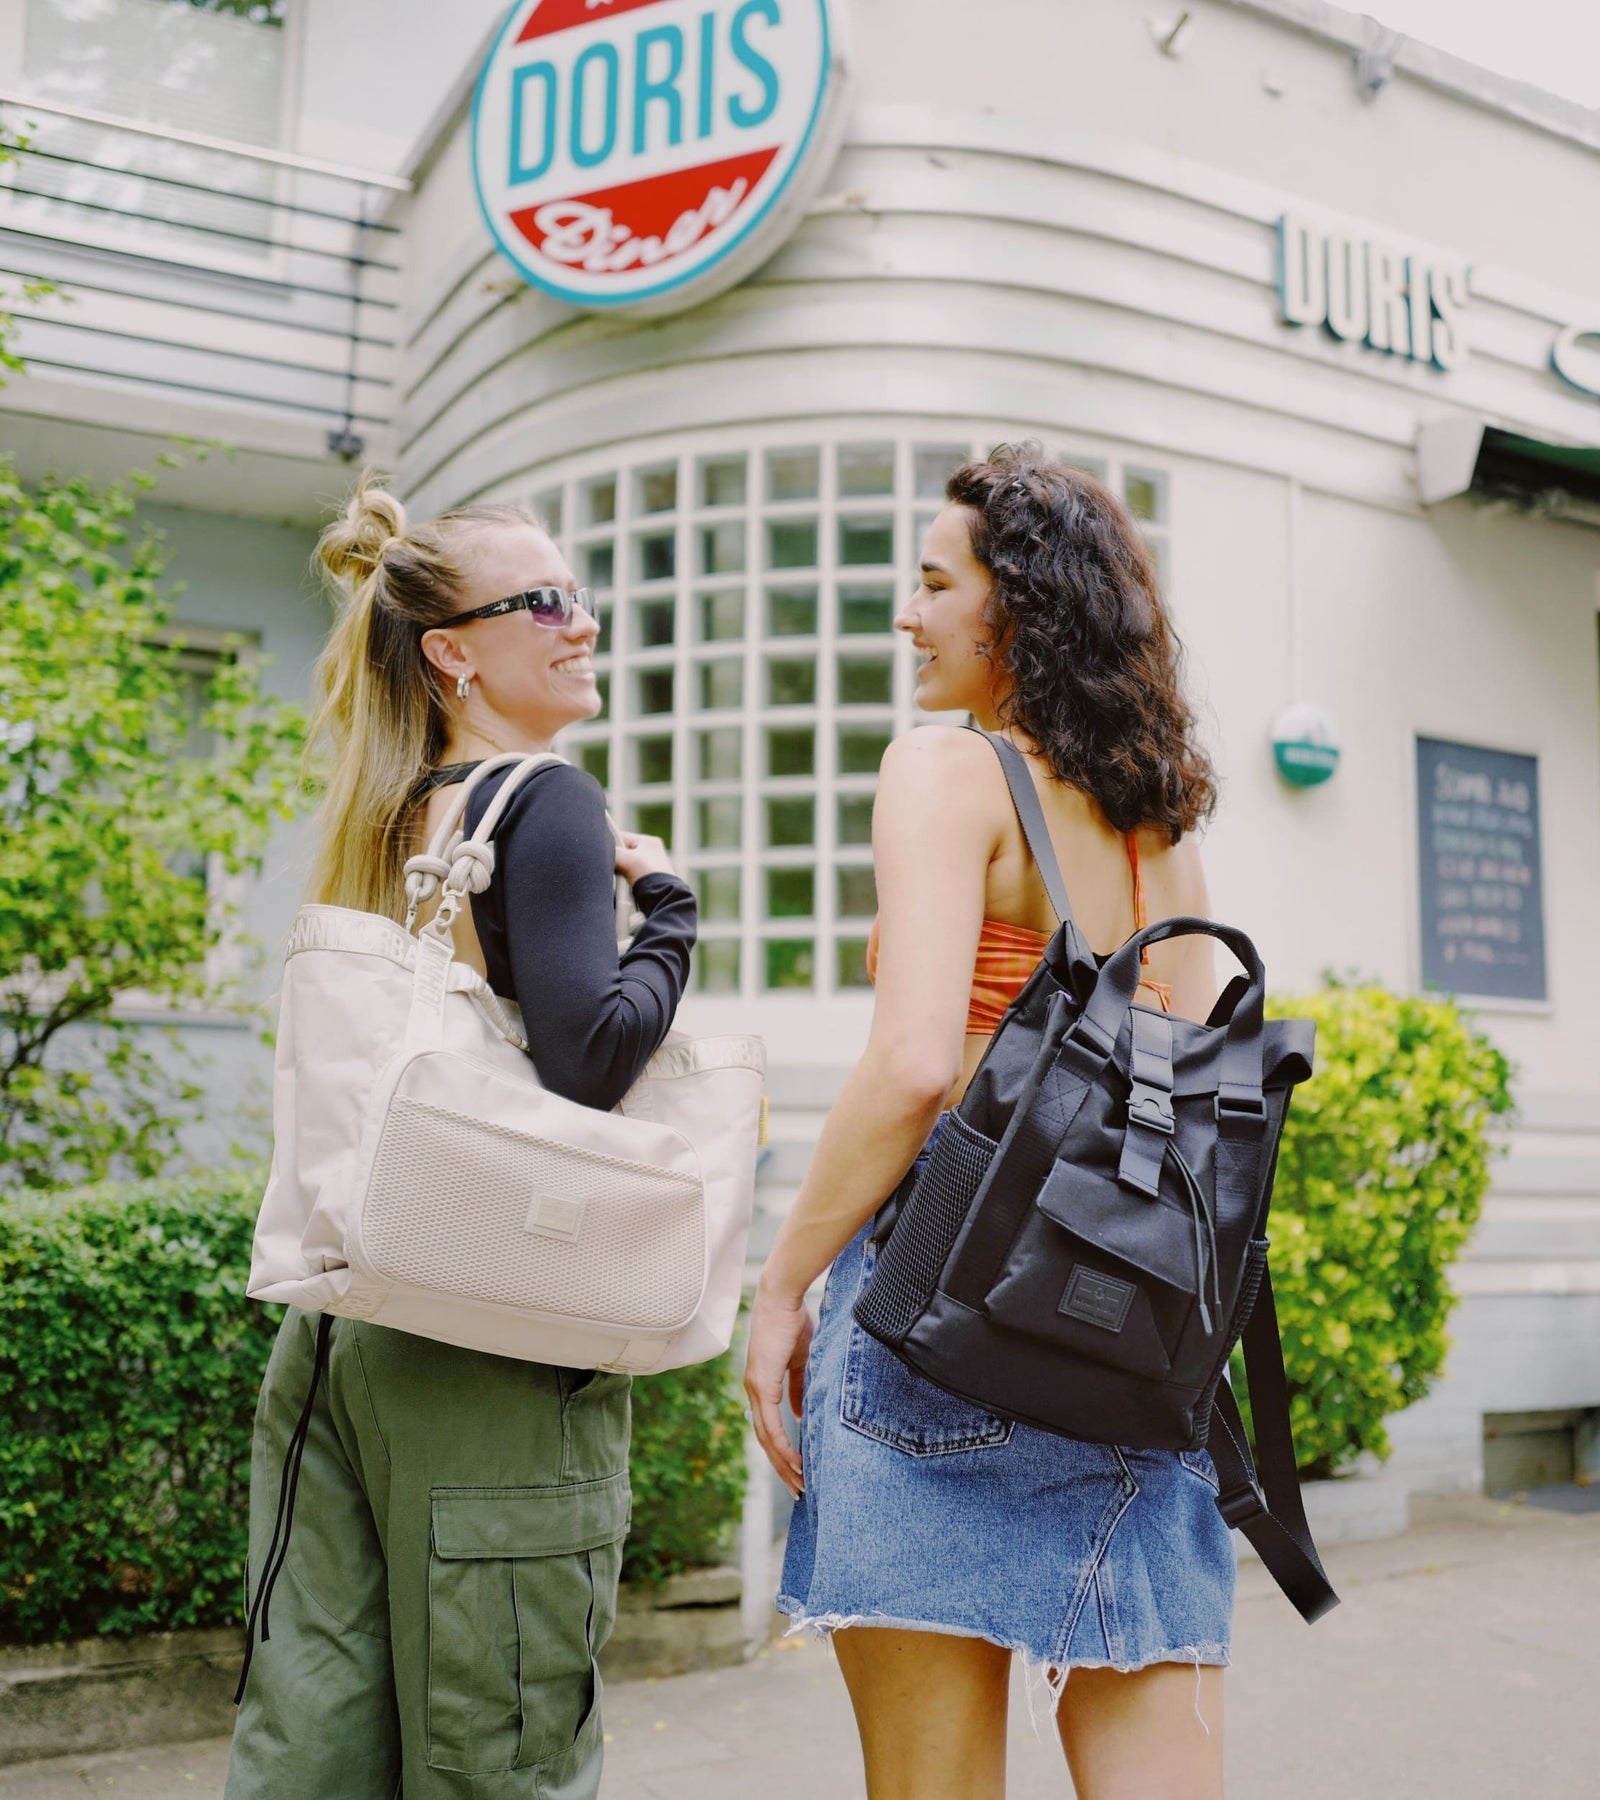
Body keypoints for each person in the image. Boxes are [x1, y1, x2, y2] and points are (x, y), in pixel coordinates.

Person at [745, 444, 1228, 1800]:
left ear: (1013, 607)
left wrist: (780, 1288)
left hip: (941, 1315)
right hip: (1133, 1329)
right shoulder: (1158, 820)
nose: (910, 615)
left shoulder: (947, 773)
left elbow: (910, 1071)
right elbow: (1180, 1063)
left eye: (932, 585)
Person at [227, 479, 696, 1800]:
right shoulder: (542, 804)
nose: (581, 624)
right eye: (544, 602)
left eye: (580, 597)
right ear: (453, 650)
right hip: (489, 1342)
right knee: (502, 1758)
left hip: (341, 1329)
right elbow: (588, 1062)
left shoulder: (391, 815)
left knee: (314, 1741)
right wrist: (669, 914)